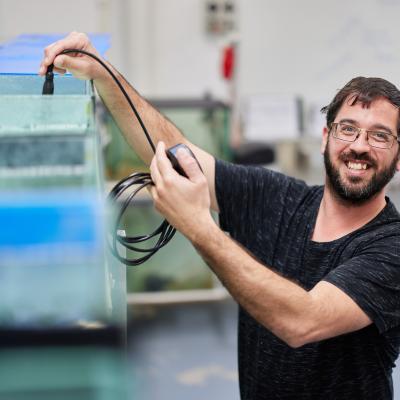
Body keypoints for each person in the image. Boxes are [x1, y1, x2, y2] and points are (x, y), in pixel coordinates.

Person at [40, 32, 400, 400]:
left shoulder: (391, 248)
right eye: (348, 129)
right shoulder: (280, 200)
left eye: (380, 136)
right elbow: (177, 155)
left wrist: (198, 226)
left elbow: (304, 320)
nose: (359, 146)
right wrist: (104, 74)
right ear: (326, 137)